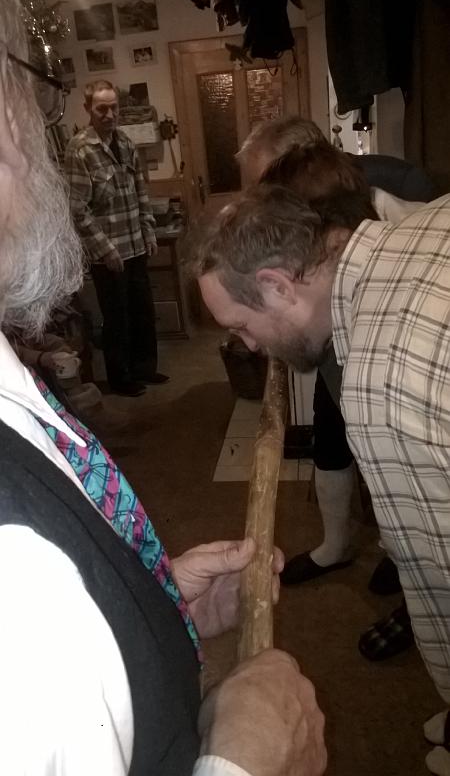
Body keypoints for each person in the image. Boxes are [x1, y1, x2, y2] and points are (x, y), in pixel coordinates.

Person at [0, 0, 327, 775]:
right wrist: (247, 764)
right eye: (23, 80)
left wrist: (153, 605)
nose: (31, 121)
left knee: (140, 335)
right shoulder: (15, 563)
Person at [190, 183, 450, 776]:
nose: (249, 346)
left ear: (278, 286)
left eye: (242, 327)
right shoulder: (427, 218)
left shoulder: (382, 382)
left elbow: (438, 571)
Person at [237, 117, 432, 591]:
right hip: (332, 340)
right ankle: (338, 545)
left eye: (264, 184)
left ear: (300, 160)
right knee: (333, 438)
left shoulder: (394, 184)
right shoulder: (290, 218)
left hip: (393, 350)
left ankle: (412, 563)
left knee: (398, 455)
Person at [65, 79, 168, 397]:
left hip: (135, 245)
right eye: (101, 109)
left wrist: (148, 230)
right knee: (117, 318)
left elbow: (140, 191)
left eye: (113, 108)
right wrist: (106, 250)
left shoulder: (125, 142)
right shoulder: (80, 149)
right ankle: (121, 378)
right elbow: (77, 208)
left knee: (142, 312)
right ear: (88, 109)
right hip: (108, 254)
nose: (109, 115)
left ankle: (144, 369)